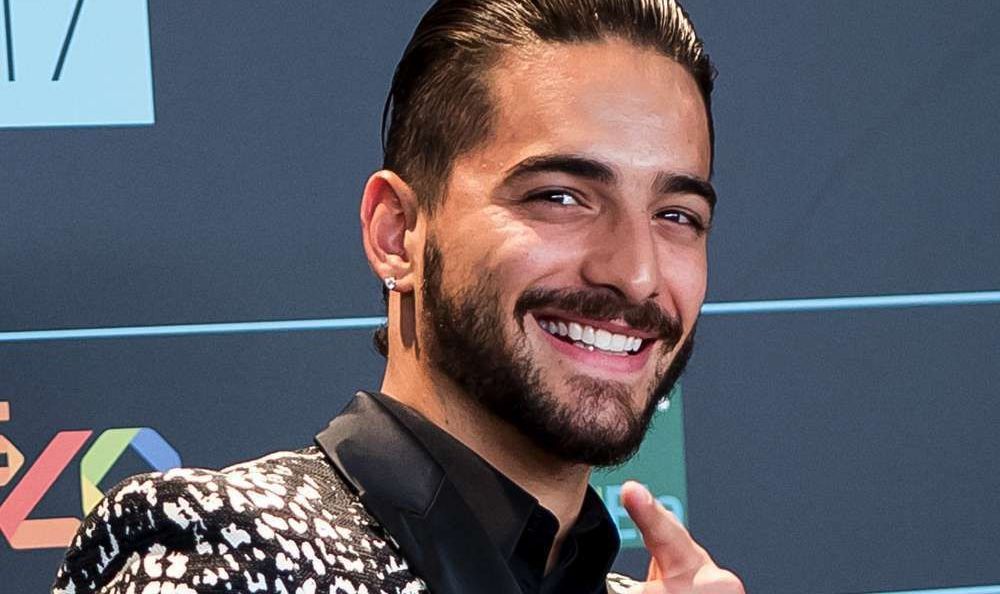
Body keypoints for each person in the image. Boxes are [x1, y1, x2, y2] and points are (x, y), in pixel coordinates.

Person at [52, 0, 744, 592]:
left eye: (676, 215)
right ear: (398, 234)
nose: (636, 273)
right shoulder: (229, 549)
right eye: (560, 197)